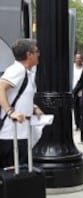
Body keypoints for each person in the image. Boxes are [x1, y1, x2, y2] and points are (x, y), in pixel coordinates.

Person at [0, 38, 43, 168]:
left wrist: (34, 107)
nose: (38, 54)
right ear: (29, 54)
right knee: (11, 177)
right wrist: (10, 112)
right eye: (36, 51)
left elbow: (20, 95)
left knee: (19, 177)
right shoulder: (17, 70)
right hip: (12, 135)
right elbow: (1, 88)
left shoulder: (26, 72)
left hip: (20, 134)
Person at [72, 53, 83, 138]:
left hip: (82, 91)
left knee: (82, 109)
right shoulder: (72, 68)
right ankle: (77, 124)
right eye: (76, 58)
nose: (78, 60)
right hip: (74, 91)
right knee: (76, 109)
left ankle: (82, 124)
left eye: (79, 58)